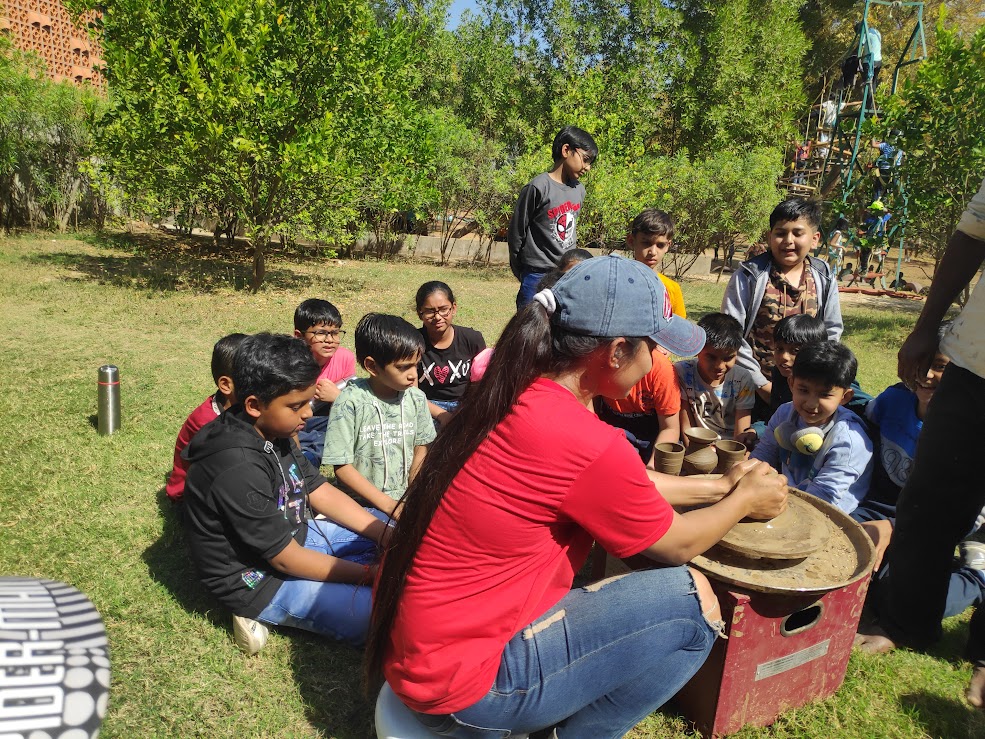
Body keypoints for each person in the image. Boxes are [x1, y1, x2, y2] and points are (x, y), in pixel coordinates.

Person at [365, 254, 789, 738]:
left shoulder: (518, 389)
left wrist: (717, 485)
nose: (659, 360)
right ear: (616, 352)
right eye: (653, 346)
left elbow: (617, 480)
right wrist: (742, 503)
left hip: (422, 658)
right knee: (694, 602)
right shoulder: (583, 439)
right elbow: (675, 544)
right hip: (469, 688)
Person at [853, 176, 985, 710]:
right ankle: (906, 622)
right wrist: (928, 322)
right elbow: (972, 235)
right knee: (928, 502)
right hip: (977, 363)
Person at [182, 333, 389, 655]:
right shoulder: (235, 465)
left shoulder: (274, 427)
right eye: (297, 405)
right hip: (260, 580)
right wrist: (372, 576)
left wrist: (384, 535)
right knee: (393, 613)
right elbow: (285, 558)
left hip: (295, 537)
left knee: (398, 538)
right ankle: (253, 612)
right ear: (253, 405)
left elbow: (316, 488)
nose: (308, 413)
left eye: (308, 401)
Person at [722, 197, 843, 421]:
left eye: (797, 233)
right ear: (769, 237)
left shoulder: (823, 276)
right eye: (780, 233)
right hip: (755, 385)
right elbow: (733, 334)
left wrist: (815, 382)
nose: (788, 240)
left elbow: (832, 330)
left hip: (808, 389)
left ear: (815, 239)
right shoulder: (750, 276)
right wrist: (761, 384)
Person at [324, 313, 436, 517]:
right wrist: (389, 505)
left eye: (416, 365)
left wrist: (413, 491)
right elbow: (342, 466)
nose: (413, 374)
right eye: (403, 367)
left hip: (406, 500)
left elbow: (422, 446)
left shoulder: (417, 399)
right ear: (372, 366)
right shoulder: (350, 401)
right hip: (360, 505)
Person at [751, 341, 873, 513]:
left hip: (826, 514)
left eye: (824, 394)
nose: (811, 403)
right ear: (791, 384)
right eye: (803, 390)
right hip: (788, 496)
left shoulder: (848, 442)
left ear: (845, 397)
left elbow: (820, 501)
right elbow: (763, 454)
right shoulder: (785, 412)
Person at [507, 126, 598, 309]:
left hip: (567, 275)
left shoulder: (579, 190)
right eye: (585, 159)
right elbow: (516, 233)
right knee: (530, 329)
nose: (587, 168)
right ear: (566, 150)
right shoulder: (538, 187)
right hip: (535, 274)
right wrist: (523, 272)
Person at [166, 333, 247, 503]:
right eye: (252, 376)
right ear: (226, 385)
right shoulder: (208, 424)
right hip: (190, 499)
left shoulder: (234, 407)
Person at [293, 298, 357, 468]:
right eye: (321, 333)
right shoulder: (289, 362)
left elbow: (352, 404)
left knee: (349, 427)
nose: (330, 340)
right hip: (291, 420)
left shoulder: (345, 358)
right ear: (299, 336)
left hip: (320, 419)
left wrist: (338, 397)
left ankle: (309, 456)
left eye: (335, 333)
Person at [595, 344, 682, 466]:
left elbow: (670, 428)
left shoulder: (661, 369)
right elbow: (590, 414)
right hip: (615, 426)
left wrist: (652, 468)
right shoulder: (599, 362)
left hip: (654, 431)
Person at [415, 281, 486, 427]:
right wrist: (443, 415)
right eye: (429, 311)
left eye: (443, 309)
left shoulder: (472, 339)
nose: (438, 317)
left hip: (464, 405)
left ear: (453, 308)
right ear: (419, 313)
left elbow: (482, 381)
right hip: (426, 405)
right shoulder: (413, 343)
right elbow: (411, 391)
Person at [675, 313, 755, 441]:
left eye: (728, 358)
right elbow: (687, 428)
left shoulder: (742, 379)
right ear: (697, 350)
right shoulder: (683, 372)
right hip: (698, 444)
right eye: (711, 357)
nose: (719, 366)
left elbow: (741, 434)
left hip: (730, 446)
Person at [628, 208, 686, 317]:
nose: (653, 252)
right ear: (631, 241)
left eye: (660, 245)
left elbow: (679, 331)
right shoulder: (617, 282)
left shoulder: (671, 289)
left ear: (668, 245)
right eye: (646, 243)